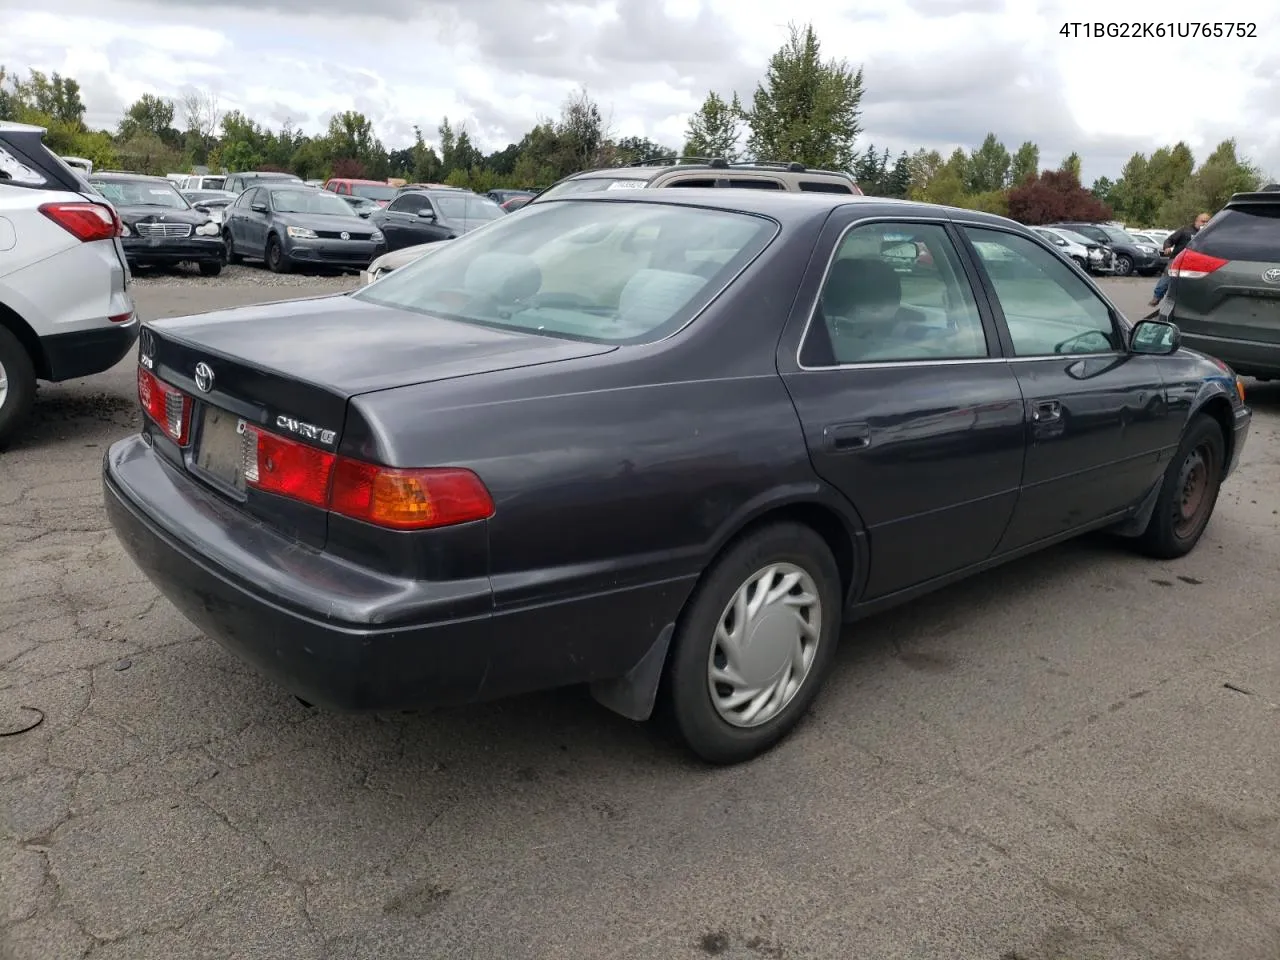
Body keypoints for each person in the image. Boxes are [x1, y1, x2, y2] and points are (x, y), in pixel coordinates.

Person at [1149, 212, 1211, 306]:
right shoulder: (1185, 230)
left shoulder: (1208, 235)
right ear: (1196, 221)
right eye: (1203, 221)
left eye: (1207, 222)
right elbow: (1169, 240)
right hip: (1177, 259)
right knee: (1168, 275)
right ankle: (1157, 297)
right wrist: (1167, 247)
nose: (1205, 224)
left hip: (1196, 261)